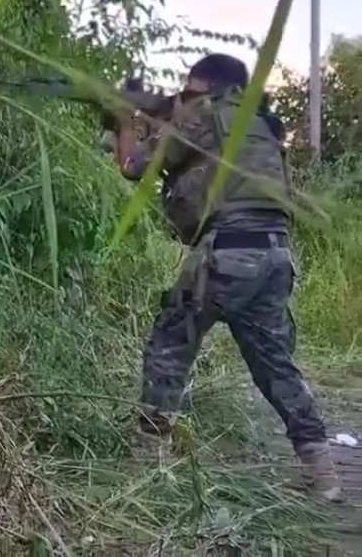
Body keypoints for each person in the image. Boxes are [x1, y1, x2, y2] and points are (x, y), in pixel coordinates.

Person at [115, 53, 341, 502]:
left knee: (170, 346)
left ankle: (145, 465)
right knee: (276, 367)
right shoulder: (261, 127)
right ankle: (325, 476)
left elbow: (133, 167)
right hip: (275, 255)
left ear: (206, 87)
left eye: (189, 88)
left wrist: (124, 122)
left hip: (227, 253)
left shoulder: (204, 118)